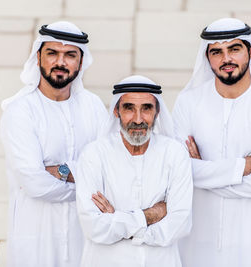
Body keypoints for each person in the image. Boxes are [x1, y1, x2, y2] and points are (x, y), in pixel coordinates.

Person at [173, 18, 251, 267]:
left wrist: (201, 173)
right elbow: (179, 172)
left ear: (250, 51)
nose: (226, 58)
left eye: (234, 49)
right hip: (196, 238)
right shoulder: (188, 103)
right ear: (207, 58)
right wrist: (242, 168)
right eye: (217, 51)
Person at [0, 21, 108, 267]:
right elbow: (34, 182)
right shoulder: (20, 112)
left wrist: (59, 171)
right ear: (38, 57)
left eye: (70, 55)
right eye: (52, 53)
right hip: (37, 233)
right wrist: (89, 190)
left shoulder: (93, 108)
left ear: (81, 62)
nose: (61, 62)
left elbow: (109, 169)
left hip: (84, 235)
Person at [75, 75, 193, 267]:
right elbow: (93, 227)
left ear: (157, 112)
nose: (138, 119)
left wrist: (118, 221)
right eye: (129, 108)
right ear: (116, 110)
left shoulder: (175, 153)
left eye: (146, 108)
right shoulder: (94, 154)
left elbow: (180, 224)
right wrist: (150, 216)